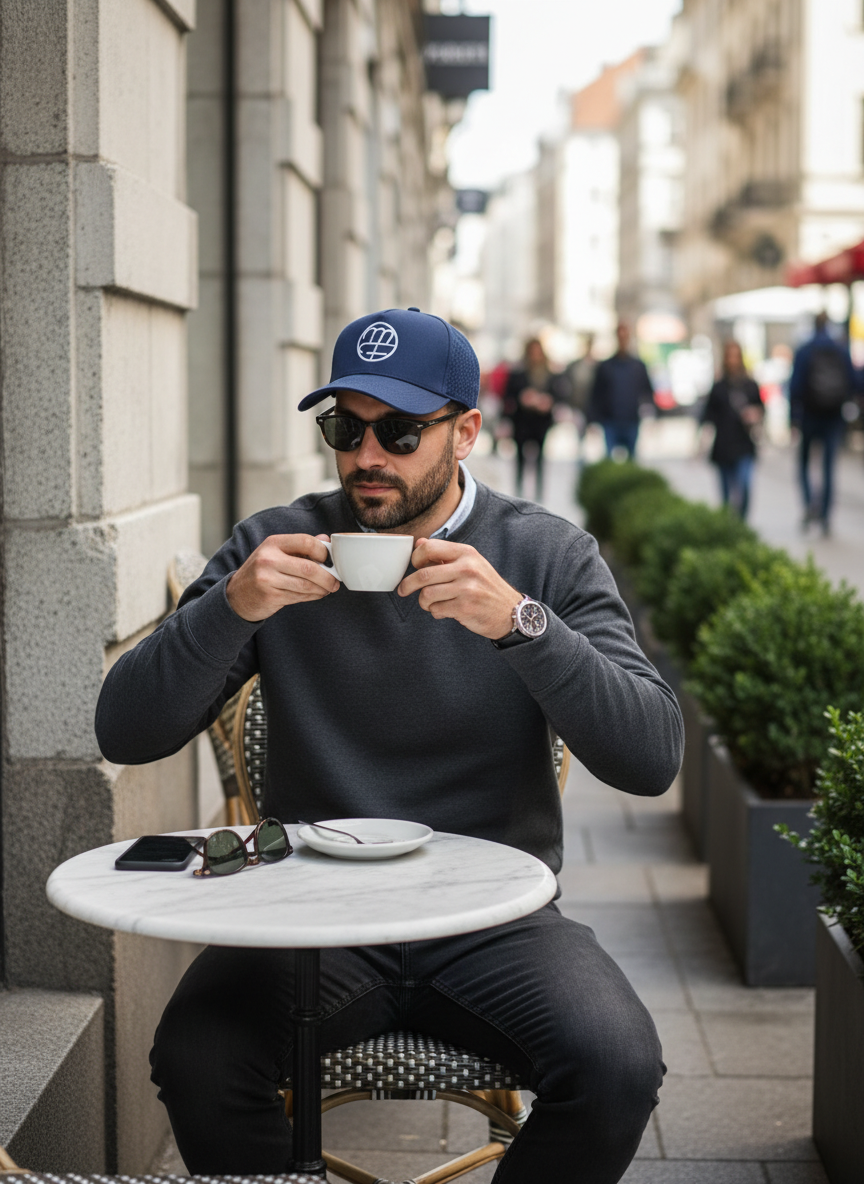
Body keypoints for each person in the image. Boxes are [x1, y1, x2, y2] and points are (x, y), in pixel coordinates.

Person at [96, 307, 683, 1184]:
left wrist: (522, 625)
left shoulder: (542, 553)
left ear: (466, 432)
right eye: (346, 426)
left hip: (495, 917)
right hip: (311, 917)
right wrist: (230, 611)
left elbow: (651, 755)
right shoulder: (278, 543)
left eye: (401, 431)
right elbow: (126, 730)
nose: (368, 456)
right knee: (197, 1057)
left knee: (619, 1063)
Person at [789, 311, 856, 535]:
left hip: (809, 415)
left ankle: (810, 505)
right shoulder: (840, 349)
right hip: (834, 416)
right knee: (828, 467)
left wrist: (793, 419)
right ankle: (826, 515)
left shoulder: (805, 349)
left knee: (805, 464)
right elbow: (854, 381)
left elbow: (795, 386)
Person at [700, 340, 764, 519]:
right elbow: (708, 417)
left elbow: (761, 409)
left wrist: (755, 414)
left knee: (744, 486)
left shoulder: (750, 385)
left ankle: (741, 522)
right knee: (726, 495)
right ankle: (729, 525)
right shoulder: (719, 387)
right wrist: (700, 445)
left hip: (744, 444)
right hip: (723, 446)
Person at [502, 338, 561, 500]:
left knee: (540, 460)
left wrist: (547, 402)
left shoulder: (549, 373)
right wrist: (523, 398)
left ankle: (539, 495)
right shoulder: (519, 373)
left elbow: (558, 395)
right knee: (520, 460)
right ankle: (519, 493)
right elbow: (508, 396)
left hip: (541, 423)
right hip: (522, 422)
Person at [588, 323, 655, 460]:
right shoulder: (606, 367)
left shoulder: (638, 366)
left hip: (631, 420)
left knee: (631, 461)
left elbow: (648, 393)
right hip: (610, 421)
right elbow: (596, 394)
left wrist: (650, 415)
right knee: (609, 461)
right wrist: (593, 419)